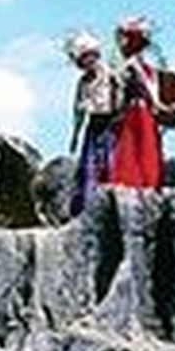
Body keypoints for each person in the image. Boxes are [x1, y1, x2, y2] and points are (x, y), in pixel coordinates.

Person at [107, 15, 172, 189]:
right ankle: (146, 182)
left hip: (136, 112)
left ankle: (133, 181)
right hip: (143, 112)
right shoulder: (149, 70)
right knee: (144, 146)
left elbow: (148, 93)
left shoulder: (132, 67)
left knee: (134, 146)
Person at [65, 31, 118, 215]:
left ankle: (112, 202)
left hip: (110, 123)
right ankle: (88, 206)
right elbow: (78, 110)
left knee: (110, 163)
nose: (87, 63)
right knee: (90, 167)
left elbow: (119, 96)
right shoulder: (83, 82)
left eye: (89, 57)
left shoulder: (109, 73)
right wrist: (74, 134)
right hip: (94, 125)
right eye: (83, 60)